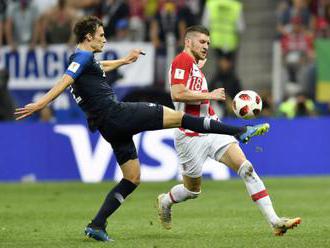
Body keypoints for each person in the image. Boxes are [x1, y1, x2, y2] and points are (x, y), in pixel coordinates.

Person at [15, 16, 269, 242]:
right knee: (179, 117)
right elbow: (66, 79)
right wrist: (40, 104)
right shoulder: (80, 59)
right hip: (117, 113)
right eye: (101, 35)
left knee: (132, 177)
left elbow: (98, 67)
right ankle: (238, 132)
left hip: (108, 127)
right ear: (88, 36)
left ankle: (97, 224)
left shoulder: (86, 61)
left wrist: (124, 61)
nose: (105, 39)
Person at [157, 25, 301, 237]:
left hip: (212, 128)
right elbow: (177, 93)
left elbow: (190, 80)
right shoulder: (182, 60)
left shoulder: (194, 64)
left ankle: (275, 221)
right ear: (188, 42)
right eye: (202, 42)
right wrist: (210, 95)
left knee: (247, 168)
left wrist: (201, 72)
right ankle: (166, 201)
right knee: (192, 191)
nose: (206, 46)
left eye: (208, 43)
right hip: (189, 135)